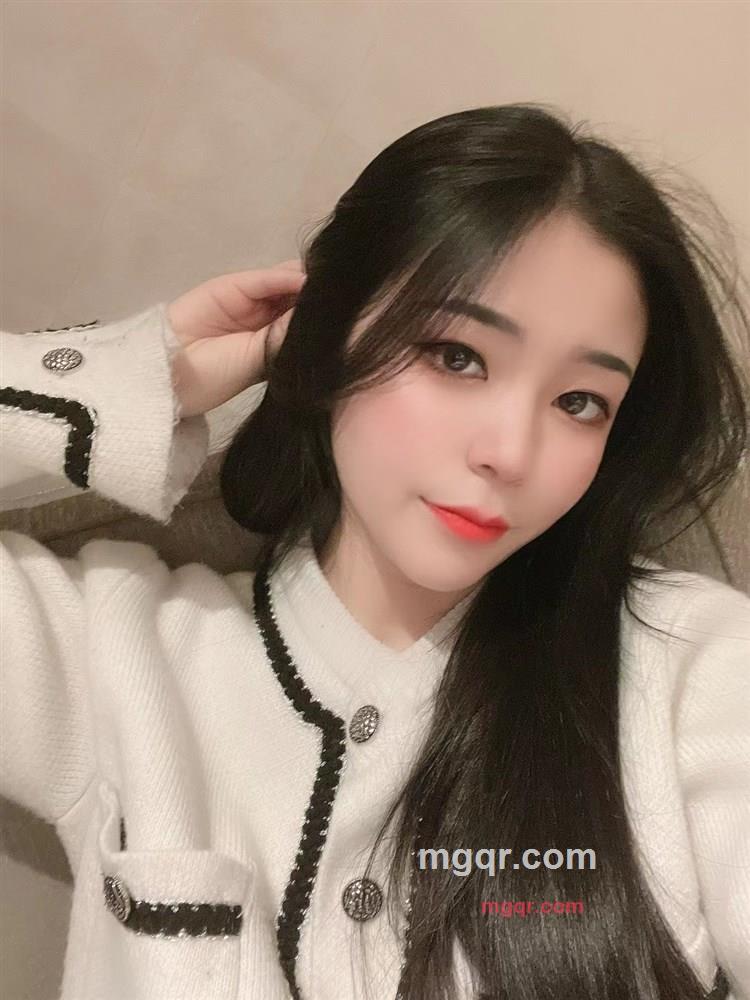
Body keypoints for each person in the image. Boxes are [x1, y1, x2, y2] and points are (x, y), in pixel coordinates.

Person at [1, 103, 748, 1000]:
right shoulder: (118, 650)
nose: (511, 453)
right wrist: (141, 376)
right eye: (457, 356)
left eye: (580, 402)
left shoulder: (689, 668)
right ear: (330, 336)